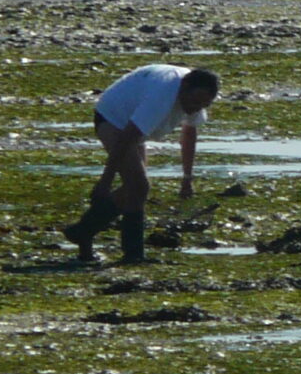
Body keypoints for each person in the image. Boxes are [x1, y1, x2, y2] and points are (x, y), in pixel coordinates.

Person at [63, 62, 219, 263]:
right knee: (139, 186)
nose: (194, 109)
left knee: (134, 188)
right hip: (113, 117)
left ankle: (82, 231)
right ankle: (133, 255)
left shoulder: (197, 98)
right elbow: (127, 136)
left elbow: (189, 133)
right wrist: (105, 181)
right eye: (194, 101)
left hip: (136, 125)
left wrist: (187, 178)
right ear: (184, 86)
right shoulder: (162, 96)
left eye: (203, 105)